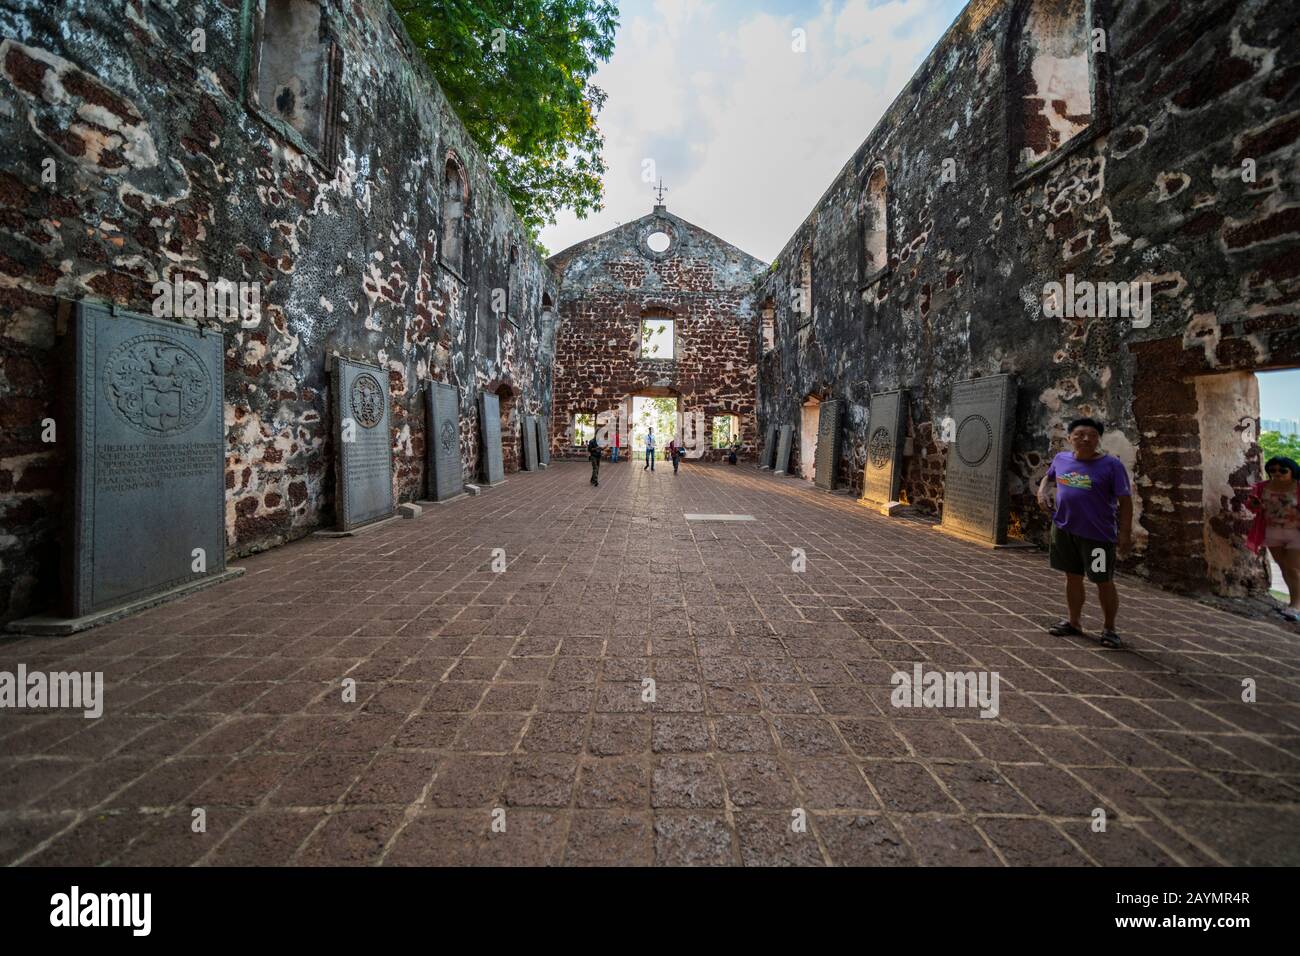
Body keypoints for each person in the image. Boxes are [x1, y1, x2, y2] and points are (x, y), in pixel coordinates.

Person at [1036, 417, 1133, 648]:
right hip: (1065, 530)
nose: (1085, 439)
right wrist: (1041, 493)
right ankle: (1074, 621)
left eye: (1091, 435)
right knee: (1072, 576)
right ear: (1070, 438)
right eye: (1079, 435)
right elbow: (1047, 478)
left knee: (1103, 581)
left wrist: (1125, 533)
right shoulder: (1061, 459)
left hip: (1097, 537)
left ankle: (1109, 628)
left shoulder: (1111, 466)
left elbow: (1125, 501)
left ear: (1098, 439)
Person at [1245, 456, 1300, 622]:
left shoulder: (1297, 487)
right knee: (1284, 568)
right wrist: (1255, 506)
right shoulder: (1262, 487)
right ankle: (1293, 601)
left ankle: (1296, 605)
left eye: (1283, 470)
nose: (1277, 473)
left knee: (1293, 568)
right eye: (1273, 470)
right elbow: (1252, 507)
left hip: (1296, 533)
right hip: (1272, 532)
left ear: (1292, 472)